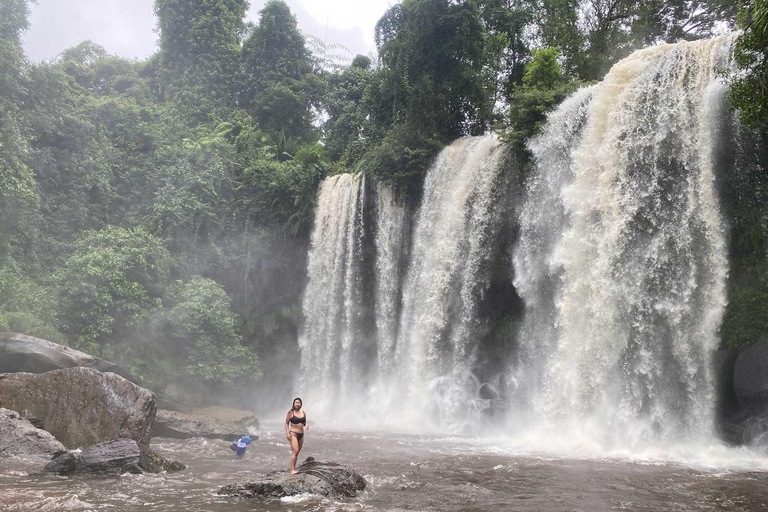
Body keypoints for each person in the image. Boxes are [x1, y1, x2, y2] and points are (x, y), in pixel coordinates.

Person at [285, 397, 308, 474]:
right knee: (295, 451)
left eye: (299, 402)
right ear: (294, 404)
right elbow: (286, 423)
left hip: (301, 434)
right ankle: (292, 470)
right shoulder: (291, 413)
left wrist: (306, 425)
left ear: (301, 404)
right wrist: (288, 433)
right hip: (293, 434)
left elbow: (304, 422)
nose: (297, 404)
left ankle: (293, 468)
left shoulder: (303, 412)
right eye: (296, 402)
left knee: (297, 452)